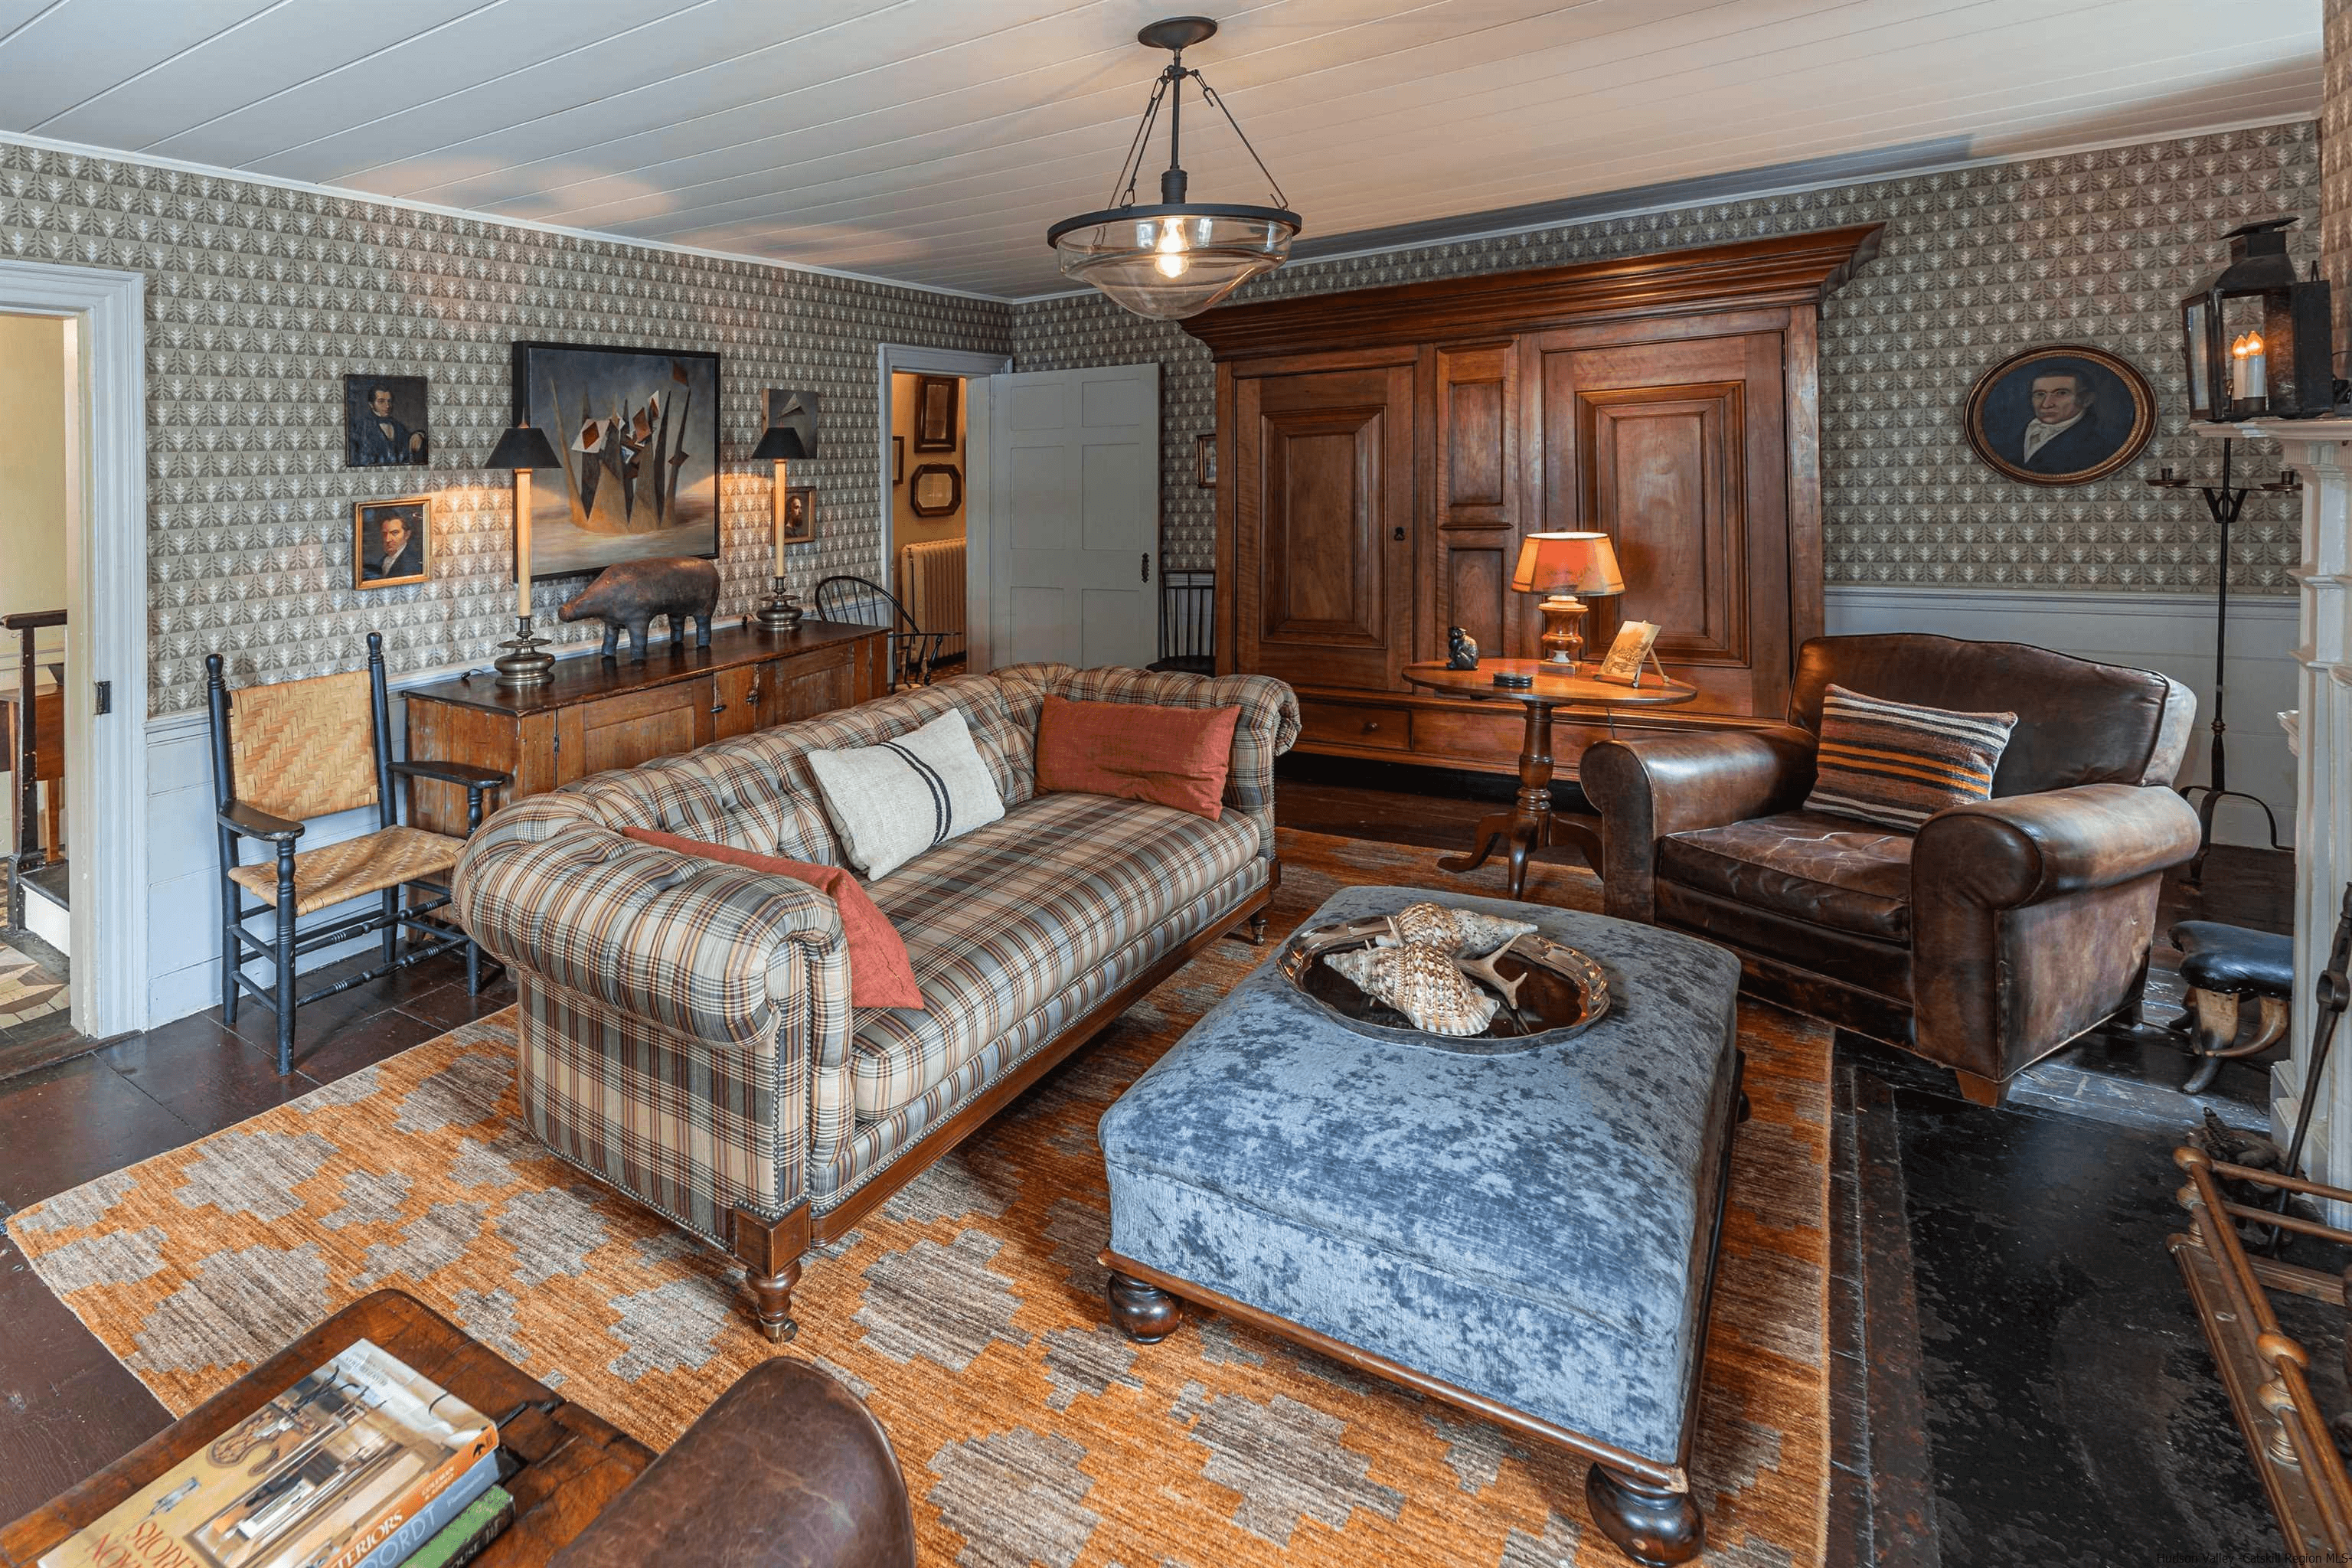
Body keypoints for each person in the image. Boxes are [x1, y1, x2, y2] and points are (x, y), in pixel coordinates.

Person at [2006, 364, 2116, 475]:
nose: (2046, 404)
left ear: (2087, 400)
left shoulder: (2099, 448)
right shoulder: (2014, 438)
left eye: (2061, 393)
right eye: (2040, 394)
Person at [351, 384, 424, 466]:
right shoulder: (361, 426)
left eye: (389, 401)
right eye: (381, 401)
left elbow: (410, 441)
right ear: (371, 405)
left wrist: (419, 435)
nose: (388, 406)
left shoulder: (398, 426)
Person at [366, 509, 423, 580]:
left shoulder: (411, 564)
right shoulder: (383, 561)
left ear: (407, 535)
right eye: (385, 534)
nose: (388, 539)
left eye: (395, 533)